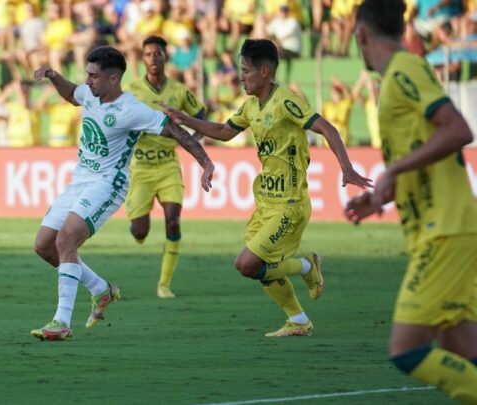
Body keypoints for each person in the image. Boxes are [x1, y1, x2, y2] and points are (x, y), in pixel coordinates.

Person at [161, 39, 372, 337]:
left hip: (290, 203)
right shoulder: (250, 106)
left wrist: (347, 168)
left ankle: (306, 266)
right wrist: (184, 118)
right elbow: (223, 131)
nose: (241, 76)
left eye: (245, 71)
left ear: (264, 72)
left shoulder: (287, 101)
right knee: (258, 267)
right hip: (266, 203)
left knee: (247, 263)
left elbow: (328, 128)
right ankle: (298, 320)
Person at [31, 46, 215, 341]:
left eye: (94, 76)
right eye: (88, 75)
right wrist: (53, 76)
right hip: (80, 179)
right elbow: (71, 94)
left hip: (108, 183)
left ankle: (61, 322)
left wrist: (205, 163)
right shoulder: (90, 94)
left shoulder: (132, 109)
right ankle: (100, 289)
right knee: (44, 246)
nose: (88, 81)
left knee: (66, 239)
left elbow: (175, 131)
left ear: (114, 79)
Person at [346, 1, 477, 402]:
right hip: (439, 230)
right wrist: (385, 191)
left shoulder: (406, 69)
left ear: (361, 34)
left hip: (446, 230)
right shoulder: (397, 76)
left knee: (406, 349)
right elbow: (427, 146)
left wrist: (395, 170)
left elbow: (458, 130)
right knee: (464, 352)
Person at [124, 36, 207, 298]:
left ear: (165, 57)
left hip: (168, 165)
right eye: (147, 54)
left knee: (173, 221)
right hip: (140, 168)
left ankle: (164, 284)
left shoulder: (179, 91)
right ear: (143, 58)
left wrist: (193, 140)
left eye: (157, 54)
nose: (152, 59)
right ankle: (137, 229)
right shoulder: (132, 90)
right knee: (140, 230)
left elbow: (200, 115)